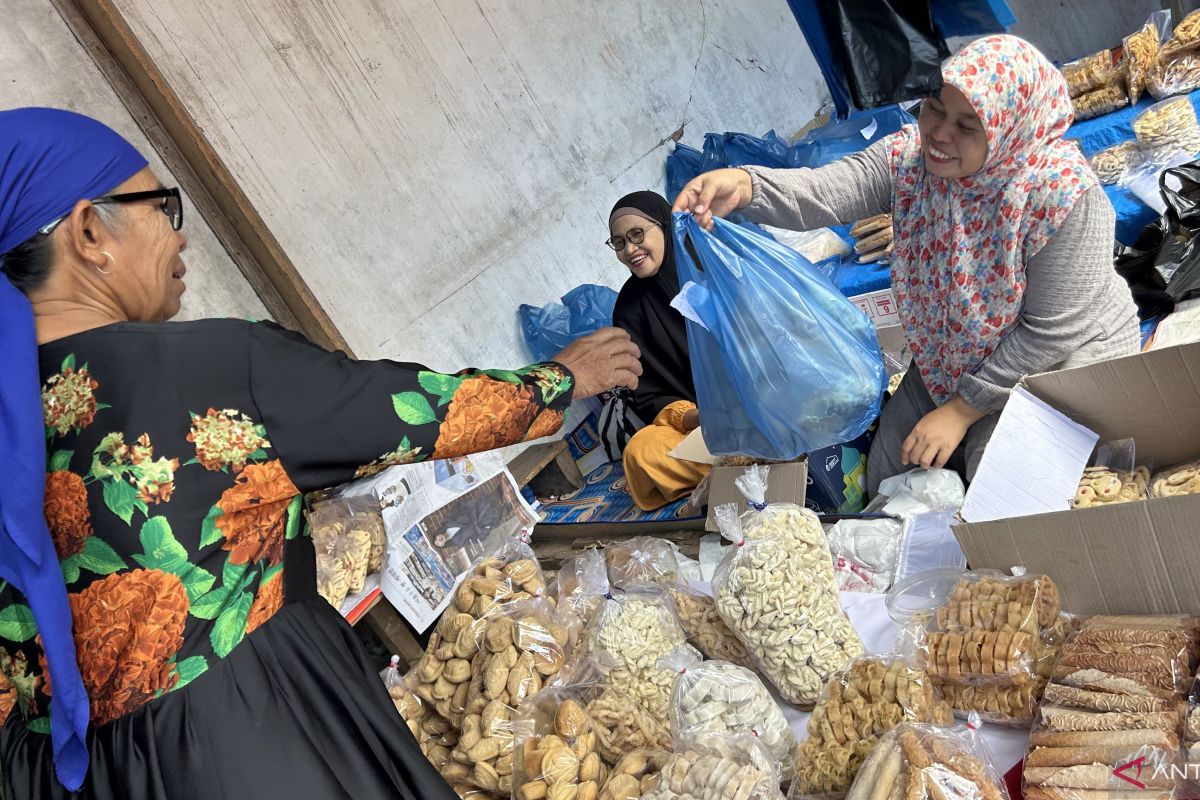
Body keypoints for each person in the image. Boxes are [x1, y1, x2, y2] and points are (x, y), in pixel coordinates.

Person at [0, 107, 640, 799]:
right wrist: (562, 377)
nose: (180, 241)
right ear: (90, 232)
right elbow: (406, 410)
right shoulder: (203, 369)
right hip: (251, 741)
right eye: (161, 207)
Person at [673, 35, 1139, 494]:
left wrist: (961, 411)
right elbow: (827, 190)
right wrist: (746, 185)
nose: (938, 133)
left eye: (967, 125)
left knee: (1004, 491)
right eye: (934, 106)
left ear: (1006, 130)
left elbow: (1050, 332)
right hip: (954, 355)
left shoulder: (1060, 195)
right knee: (887, 480)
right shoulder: (909, 161)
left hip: (1054, 360)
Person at [607, 191, 710, 511]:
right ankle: (745, 466)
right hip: (707, 429)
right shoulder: (629, 309)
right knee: (642, 451)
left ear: (665, 225)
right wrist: (691, 416)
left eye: (637, 234)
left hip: (759, 400)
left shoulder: (707, 264)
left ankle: (736, 471)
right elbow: (649, 394)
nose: (630, 249)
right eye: (619, 242)